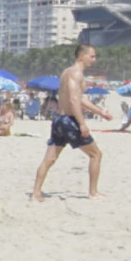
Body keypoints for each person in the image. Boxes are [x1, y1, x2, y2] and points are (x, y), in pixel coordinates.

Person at [31, 44, 113, 201]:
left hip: (59, 120)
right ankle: (93, 192)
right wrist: (82, 124)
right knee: (96, 154)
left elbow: (79, 97)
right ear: (82, 56)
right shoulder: (76, 73)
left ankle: (36, 193)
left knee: (49, 159)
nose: (94, 60)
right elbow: (74, 99)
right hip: (69, 120)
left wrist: (100, 112)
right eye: (92, 56)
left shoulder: (66, 72)